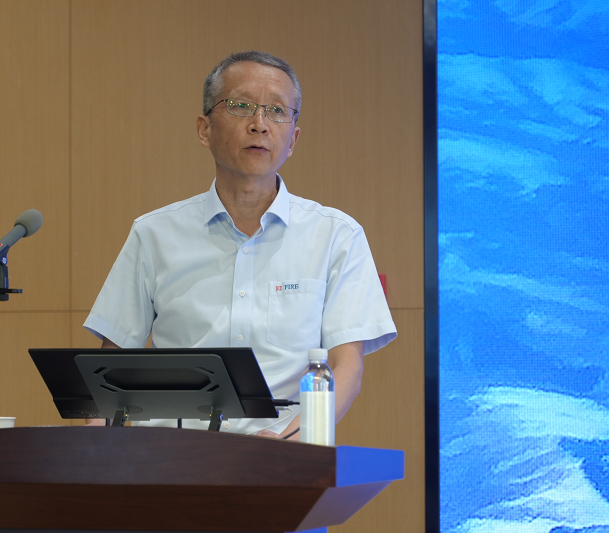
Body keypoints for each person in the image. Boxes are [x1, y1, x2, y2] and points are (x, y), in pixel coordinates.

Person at [83, 51, 396, 439]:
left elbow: (347, 366)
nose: (259, 124)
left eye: (277, 111)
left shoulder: (336, 236)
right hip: (173, 457)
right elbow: (110, 369)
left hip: (284, 457)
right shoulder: (154, 234)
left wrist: (292, 443)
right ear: (204, 129)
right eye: (241, 106)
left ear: (293, 140)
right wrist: (93, 454)